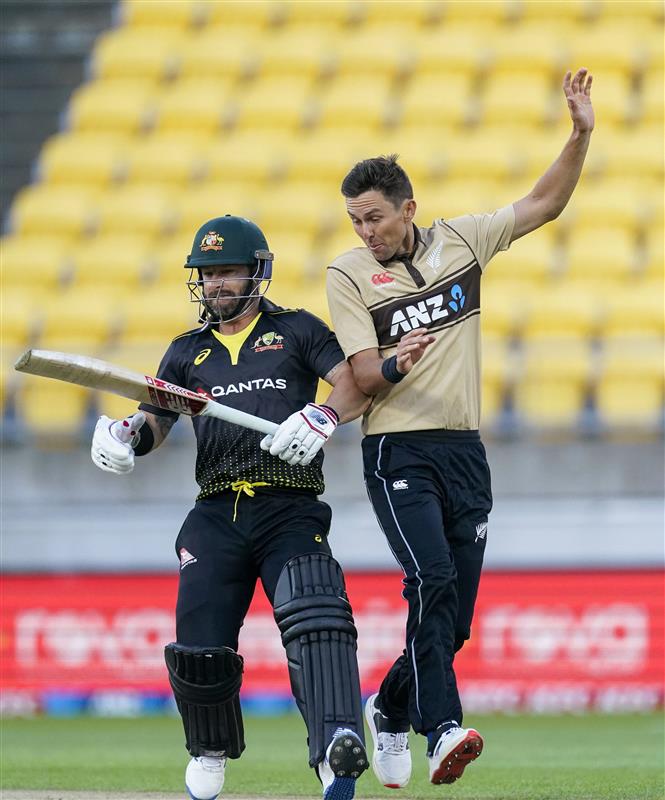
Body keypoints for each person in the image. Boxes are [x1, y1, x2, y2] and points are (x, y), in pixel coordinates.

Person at [324, 69, 595, 788]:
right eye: (355, 220)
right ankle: (441, 728)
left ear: (408, 208)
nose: (365, 232)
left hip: (464, 450)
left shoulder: (463, 243)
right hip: (397, 449)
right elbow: (363, 373)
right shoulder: (349, 274)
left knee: (454, 621)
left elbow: (544, 203)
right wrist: (397, 361)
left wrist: (579, 134)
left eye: (375, 217)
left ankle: (388, 706)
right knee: (431, 579)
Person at [90, 214, 371, 800]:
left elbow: (351, 384)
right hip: (217, 509)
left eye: (226, 271)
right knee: (200, 642)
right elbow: (155, 422)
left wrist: (323, 414)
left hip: (289, 504)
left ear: (256, 272)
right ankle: (209, 749)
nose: (215, 283)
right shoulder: (185, 352)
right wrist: (124, 437)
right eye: (207, 273)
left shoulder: (296, 330)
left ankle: (334, 749)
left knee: (317, 616)